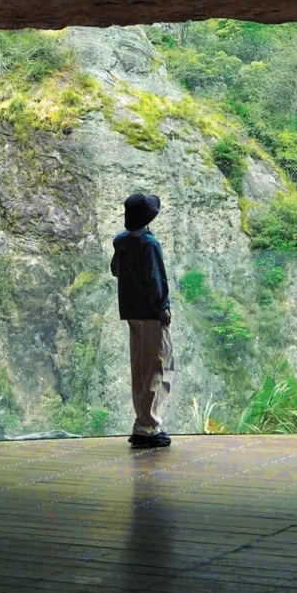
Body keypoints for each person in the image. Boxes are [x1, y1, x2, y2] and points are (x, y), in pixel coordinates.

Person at [111, 192, 174, 448]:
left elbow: (115, 270)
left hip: (131, 311)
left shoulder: (121, 242)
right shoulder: (149, 244)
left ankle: (142, 422)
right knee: (158, 367)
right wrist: (163, 306)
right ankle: (148, 427)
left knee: (139, 368)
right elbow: (156, 278)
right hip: (151, 314)